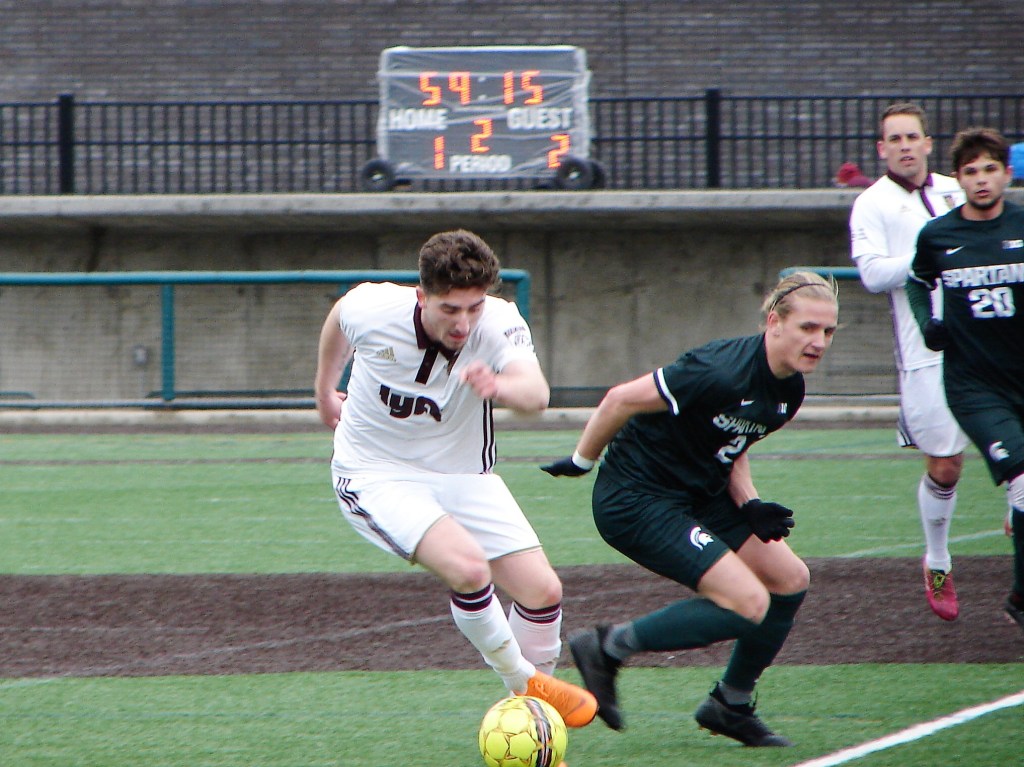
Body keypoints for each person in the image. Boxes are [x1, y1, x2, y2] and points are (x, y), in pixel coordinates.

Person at [314, 228, 598, 731]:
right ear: (421, 297)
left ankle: (533, 730)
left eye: (474, 307)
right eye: (450, 309)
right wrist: (323, 389)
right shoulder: (374, 309)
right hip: (376, 474)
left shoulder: (500, 321)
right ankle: (526, 683)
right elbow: (339, 317)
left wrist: (498, 385)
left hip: (465, 474)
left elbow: (535, 396)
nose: (464, 323)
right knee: (468, 569)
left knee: (542, 591)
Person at [541, 271, 840, 746]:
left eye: (828, 331)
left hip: (700, 494)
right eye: (808, 327)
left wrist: (750, 502)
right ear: (774, 322)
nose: (819, 342)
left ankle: (730, 705)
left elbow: (733, 440)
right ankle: (607, 647)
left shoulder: (790, 389)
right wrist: (582, 460)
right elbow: (620, 399)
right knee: (748, 603)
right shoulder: (718, 370)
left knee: (789, 579)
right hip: (637, 498)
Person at [849, 102, 969, 621]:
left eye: (911, 136)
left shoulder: (957, 191)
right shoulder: (871, 204)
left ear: (927, 143)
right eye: (894, 138)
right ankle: (937, 561)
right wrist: (928, 256)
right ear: (882, 149)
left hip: (986, 343)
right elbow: (874, 275)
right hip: (925, 353)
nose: (904, 146)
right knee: (945, 465)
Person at [907, 126, 1024, 635]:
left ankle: (1019, 595)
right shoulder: (938, 235)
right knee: (1017, 477)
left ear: (1006, 174)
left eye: (990, 169)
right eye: (971, 171)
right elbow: (916, 281)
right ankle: (941, 562)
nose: (981, 179)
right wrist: (928, 324)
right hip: (974, 386)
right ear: (957, 178)